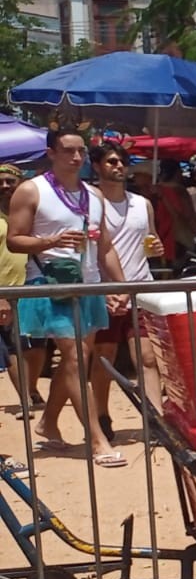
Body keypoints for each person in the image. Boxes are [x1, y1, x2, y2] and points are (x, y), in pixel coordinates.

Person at [6, 131, 128, 466]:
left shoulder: (93, 194)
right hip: (51, 284)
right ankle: (97, 439)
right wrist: (51, 241)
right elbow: (15, 240)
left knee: (80, 359)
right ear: (51, 153)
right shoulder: (32, 189)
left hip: (86, 284)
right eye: (68, 151)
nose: (76, 157)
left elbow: (104, 247)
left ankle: (48, 423)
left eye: (81, 151)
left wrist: (120, 286)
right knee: (74, 358)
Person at [88, 144, 161, 443]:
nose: (119, 166)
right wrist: (106, 288)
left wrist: (157, 248)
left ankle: (155, 419)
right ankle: (102, 414)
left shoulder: (142, 204)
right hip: (104, 291)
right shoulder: (90, 202)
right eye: (111, 161)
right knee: (104, 355)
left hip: (140, 287)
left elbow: (152, 241)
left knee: (147, 357)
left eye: (123, 161)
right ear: (97, 166)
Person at [0, 164, 45, 411]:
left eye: (10, 181)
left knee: (37, 345)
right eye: (1, 182)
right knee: (13, 346)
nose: (5, 186)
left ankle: (31, 388)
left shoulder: (33, 213)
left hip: (33, 286)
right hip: (4, 290)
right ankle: (25, 398)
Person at [150, 157, 196, 263]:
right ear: (177, 172)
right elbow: (189, 217)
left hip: (162, 237)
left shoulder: (154, 191)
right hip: (180, 236)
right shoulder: (179, 190)